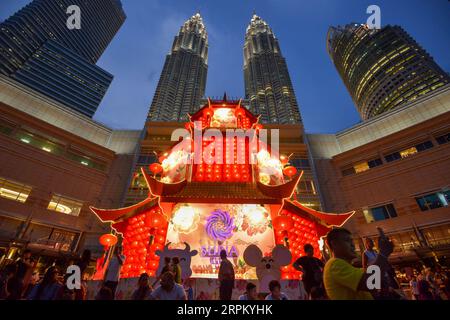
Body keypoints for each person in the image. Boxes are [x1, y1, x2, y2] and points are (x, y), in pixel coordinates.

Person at [323, 227, 394, 300]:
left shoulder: (349, 267)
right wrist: (383, 253)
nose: (353, 245)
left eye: (352, 241)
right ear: (334, 244)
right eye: (347, 240)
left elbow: (374, 284)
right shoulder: (334, 264)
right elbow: (370, 283)